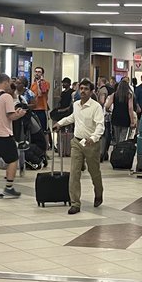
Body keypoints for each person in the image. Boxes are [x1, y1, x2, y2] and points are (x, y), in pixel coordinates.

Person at [54, 79, 105, 215]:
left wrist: (93, 138)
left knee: (94, 172)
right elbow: (73, 117)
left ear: (91, 91)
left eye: (86, 89)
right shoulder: (76, 104)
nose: (82, 91)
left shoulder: (96, 107)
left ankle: (99, 192)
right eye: (81, 88)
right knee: (74, 172)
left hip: (91, 144)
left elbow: (100, 125)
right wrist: (60, 123)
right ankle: (75, 203)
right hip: (77, 142)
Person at [105, 78, 136, 145]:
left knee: (117, 137)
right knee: (123, 137)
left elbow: (107, 106)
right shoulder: (129, 95)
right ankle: (120, 150)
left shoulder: (114, 95)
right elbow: (130, 108)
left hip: (115, 117)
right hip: (125, 118)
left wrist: (108, 110)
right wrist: (132, 121)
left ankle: (116, 149)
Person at [32, 67, 51, 140]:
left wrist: (40, 82)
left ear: (42, 74)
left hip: (42, 109)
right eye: (36, 71)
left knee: (43, 129)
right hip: (34, 108)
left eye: (39, 72)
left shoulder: (45, 83)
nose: (37, 73)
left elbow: (40, 94)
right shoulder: (33, 84)